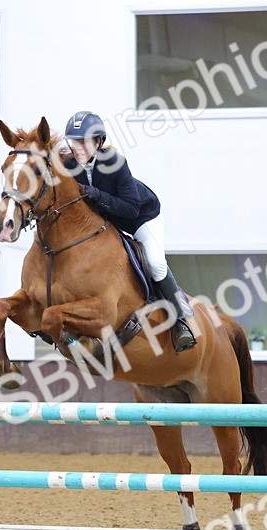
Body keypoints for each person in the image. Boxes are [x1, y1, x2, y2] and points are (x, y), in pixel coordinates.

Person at [59, 110, 196, 352]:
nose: (77, 147)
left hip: (141, 218)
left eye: (83, 141)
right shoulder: (69, 165)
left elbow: (131, 209)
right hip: (108, 224)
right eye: (74, 141)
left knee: (155, 264)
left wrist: (97, 195)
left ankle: (181, 321)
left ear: (98, 142)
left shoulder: (115, 163)